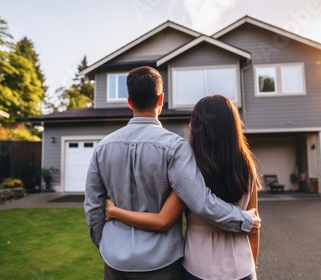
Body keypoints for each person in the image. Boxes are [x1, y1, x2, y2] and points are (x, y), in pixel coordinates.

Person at [84, 66, 260, 279]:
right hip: (160, 262)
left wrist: (105, 243)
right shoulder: (175, 147)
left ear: (129, 101)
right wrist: (245, 220)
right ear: (161, 100)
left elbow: (93, 205)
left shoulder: (103, 147)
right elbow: (200, 202)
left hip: (116, 263)